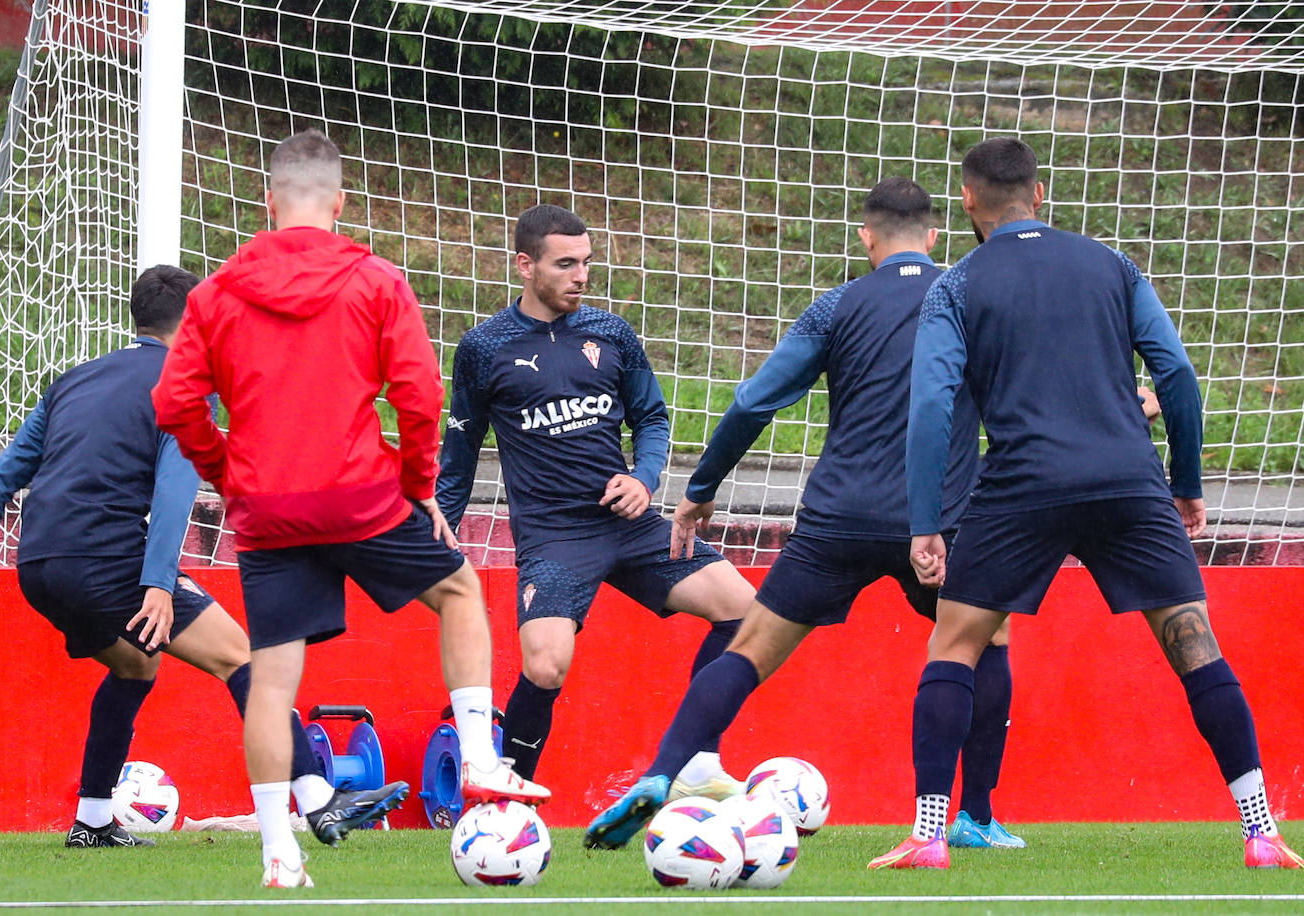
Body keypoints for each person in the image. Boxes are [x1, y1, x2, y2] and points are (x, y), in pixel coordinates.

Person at [870, 137, 1301, 870]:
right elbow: (1176, 373)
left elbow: (932, 405)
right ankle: (1261, 831)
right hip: (1128, 480)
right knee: (1196, 645)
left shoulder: (957, 285)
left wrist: (925, 522)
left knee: (955, 644)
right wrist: (1186, 483)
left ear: (968, 202)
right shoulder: (1112, 264)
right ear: (1040, 195)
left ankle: (930, 836)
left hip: (1020, 488)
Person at [152, 130, 548, 889]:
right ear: (338, 201)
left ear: (269, 202)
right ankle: (477, 757)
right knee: (460, 590)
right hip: (362, 496)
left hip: (267, 507)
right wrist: (419, 482)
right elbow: (420, 393)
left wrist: (227, 470)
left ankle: (278, 853)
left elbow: (172, 403)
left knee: (272, 680)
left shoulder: (216, 293)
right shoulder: (374, 279)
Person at [583, 177, 1025, 850]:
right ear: (935, 237)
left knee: (750, 649)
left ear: (867, 237)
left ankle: (664, 771)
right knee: (983, 642)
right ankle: (974, 816)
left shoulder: (838, 305)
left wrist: (701, 491)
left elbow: (755, 402)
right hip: (939, 520)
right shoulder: (968, 295)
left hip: (837, 519)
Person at [0, 266, 352, 851]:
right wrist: (158, 582)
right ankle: (319, 800)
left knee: (136, 665)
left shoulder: (71, 381)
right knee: (240, 656)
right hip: (108, 562)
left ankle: (94, 820)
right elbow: (175, 488)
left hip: (39, 568)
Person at [436, 204, 753, 796]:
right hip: (554, 538)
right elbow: (458, 457)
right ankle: (508, 794)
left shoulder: (611, 334)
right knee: (545, 664)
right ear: (525, 266)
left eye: (586, 263)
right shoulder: (484, 347)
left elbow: (652, 419)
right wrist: (439, 538)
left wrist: (645, 478)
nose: (581, 276)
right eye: (565, 264)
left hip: (631, 525)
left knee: (745, 612)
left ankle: (696, 760)